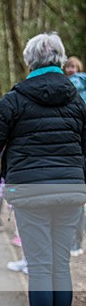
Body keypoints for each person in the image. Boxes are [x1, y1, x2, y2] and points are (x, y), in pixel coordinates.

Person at [0, 32, 86, 306]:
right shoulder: (77, 100)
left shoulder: (16, 99)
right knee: (59, 264)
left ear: (29, 62)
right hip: (69, 192)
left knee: (39, 264)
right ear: (60, 60)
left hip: (30, 191)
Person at [64, 57, 86, 256]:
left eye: (74, 67)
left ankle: (76, 242)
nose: (71, 70)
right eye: (68, 67)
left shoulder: (72, 86)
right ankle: (75, 242)